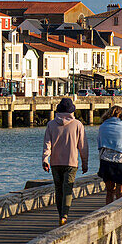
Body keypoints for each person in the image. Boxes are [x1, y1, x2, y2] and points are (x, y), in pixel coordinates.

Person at [42, 97, 88, 226]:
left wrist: (45, 159)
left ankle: (60, 214)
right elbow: (82, 146)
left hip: (55, 162)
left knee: (58, 189)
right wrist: (85, 162)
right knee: (67, 189)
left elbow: (47, 144)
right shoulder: (78, 124)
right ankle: (64, 216)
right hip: (71, 162)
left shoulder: (51, 124)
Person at [98, 106, 122, 204]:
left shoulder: (103, 126)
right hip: (121, 161)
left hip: (106, 160)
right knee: (120, 193)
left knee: (109, 192)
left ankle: (108, 213)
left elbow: (100, 143)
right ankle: (119, 215)